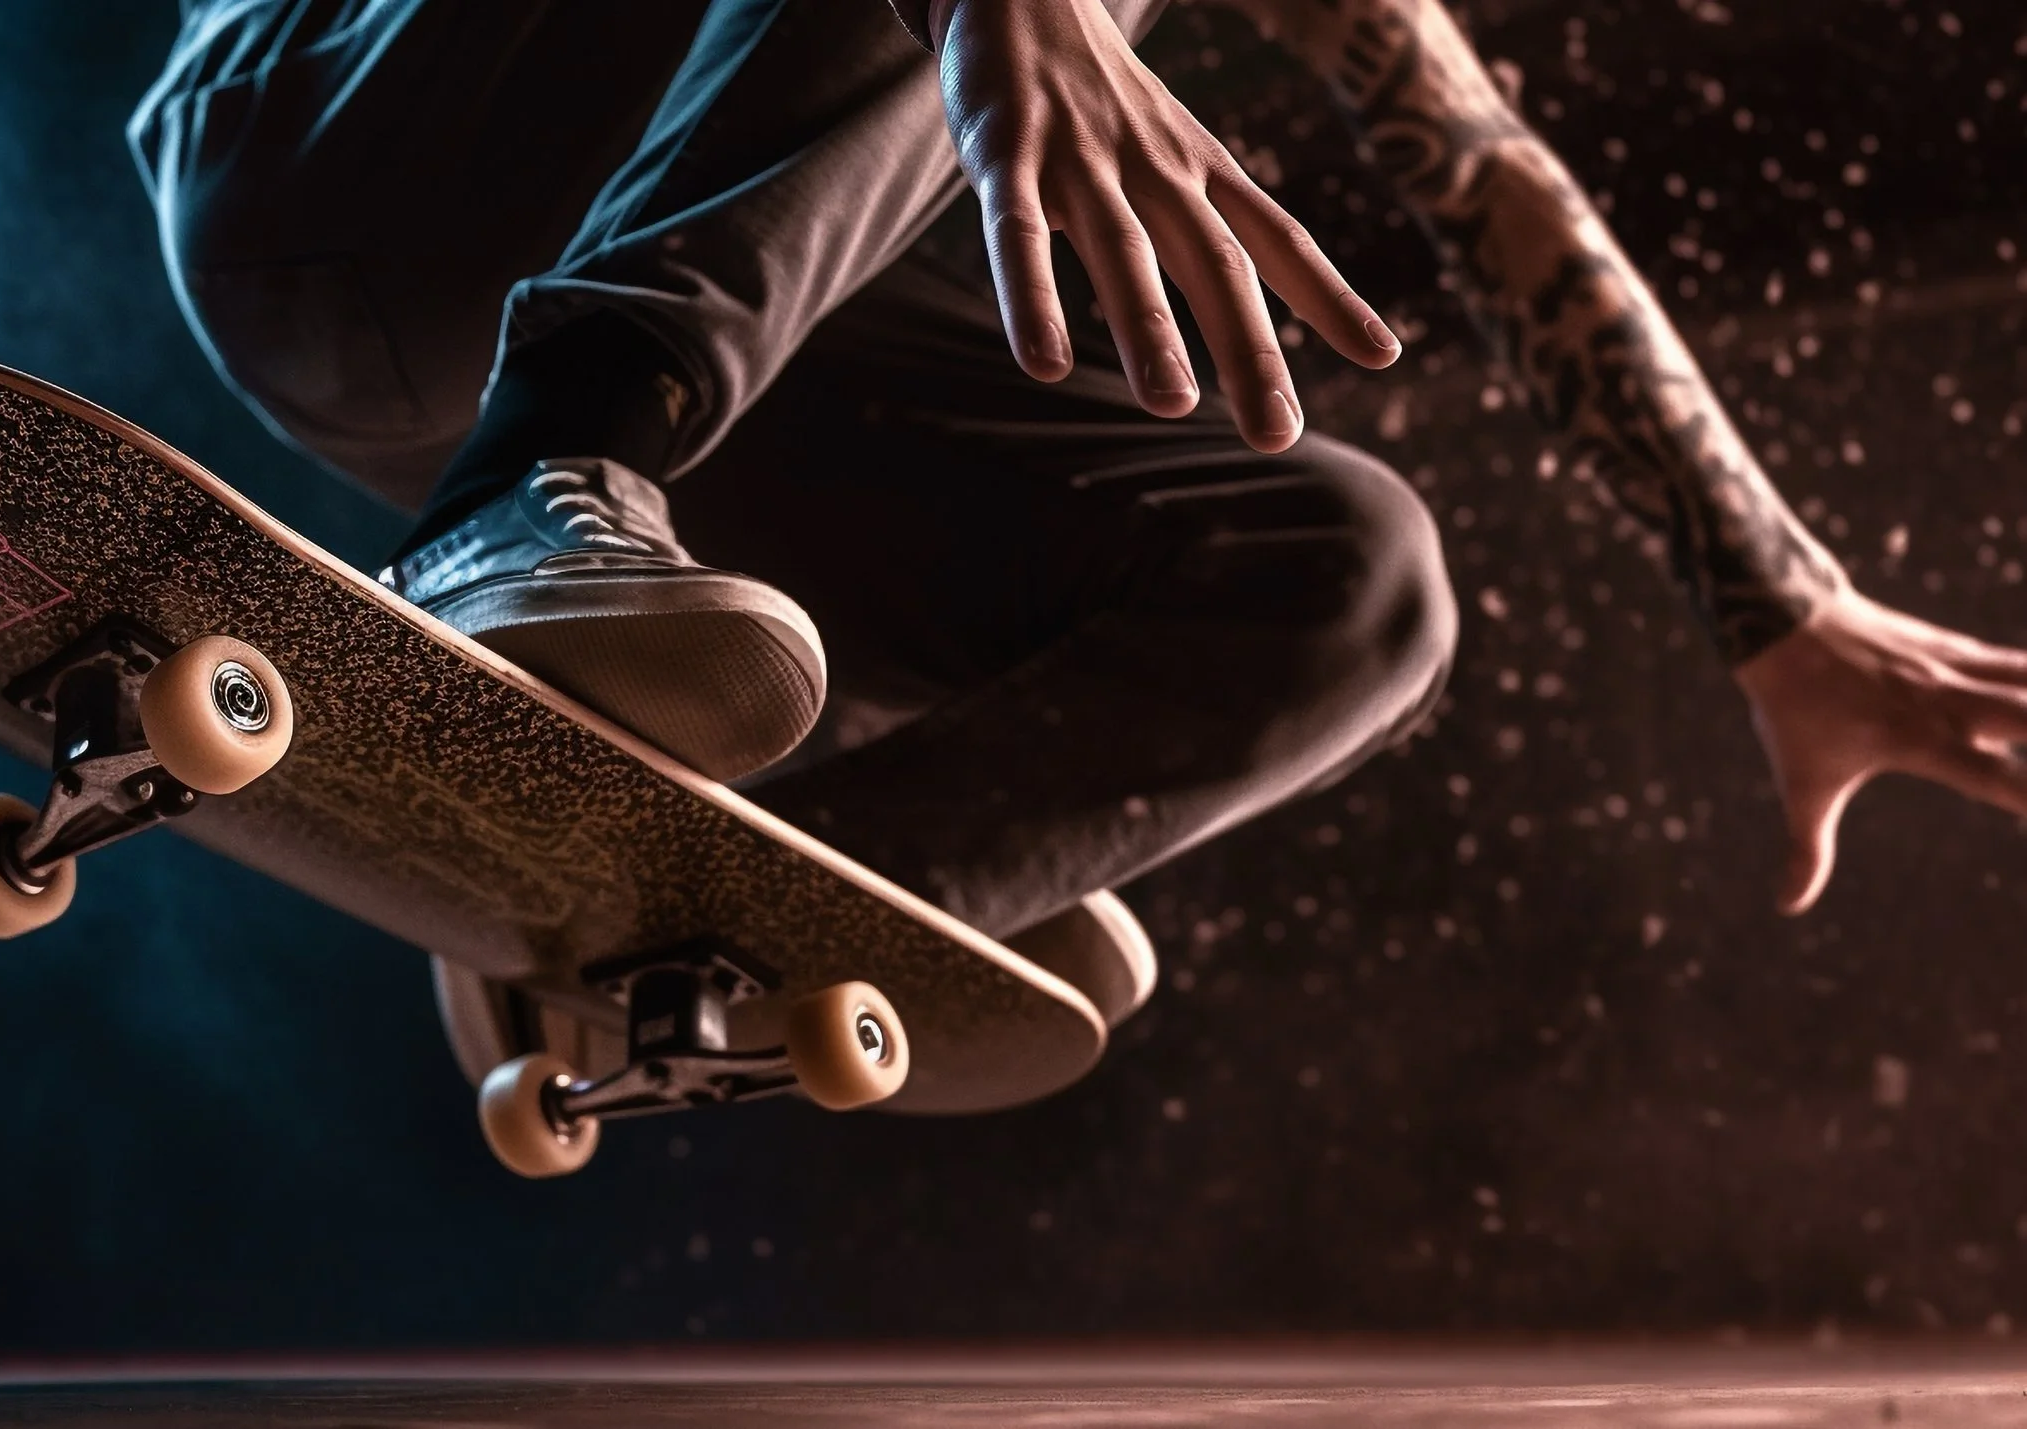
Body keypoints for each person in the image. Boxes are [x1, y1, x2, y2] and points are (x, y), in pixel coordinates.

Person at [130, 0, 2027, 1071]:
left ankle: (698, 918)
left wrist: (1781, 603)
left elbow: (1488, 177)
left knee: (1349, 577)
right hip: (329, 138)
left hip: (643, 296)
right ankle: (528, 495)